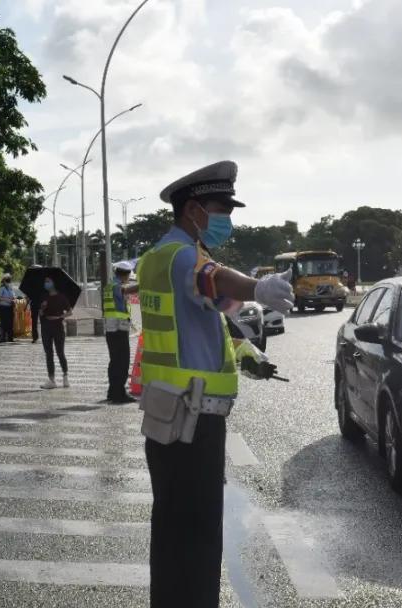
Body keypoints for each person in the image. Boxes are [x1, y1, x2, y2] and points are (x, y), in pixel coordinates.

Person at [139, 160, 294, 608]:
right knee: (199, 533)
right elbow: (216, 281)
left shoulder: (157, 257)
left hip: (168, 413)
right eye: (220, 207)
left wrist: (248, 353)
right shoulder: (185, 256)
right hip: (193, 419)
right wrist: (257, 288)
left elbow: (217, 307)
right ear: (193, 209)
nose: (227, 218)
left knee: (172, 529)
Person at [105, 261, 139, 403]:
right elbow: (126, 290)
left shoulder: (109, 285)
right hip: (119, 328)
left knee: (114, 361)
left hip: (110, 328)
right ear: (126, 274)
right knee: (122, 361)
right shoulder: (117, 286)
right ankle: (119, 394)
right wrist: (145, 284)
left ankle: (112, 392)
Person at [38, 276, 72, 389]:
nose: (46, 283)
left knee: (60, 352)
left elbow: (70, 312)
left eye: (48, 281)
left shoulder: (62, 297)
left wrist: (61, 316)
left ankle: (65, 376)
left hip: (58, 326)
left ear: (53, 282)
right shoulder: (44, 296)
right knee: (49, 353)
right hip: (46, 326)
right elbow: (40, 314)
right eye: (45, 281)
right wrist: (42, 308)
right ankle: (52, 380)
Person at [0, 273, 17, 342]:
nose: (9, 282)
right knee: (4, 323)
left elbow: (14, 297)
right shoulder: (2, 288)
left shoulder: (11, 289)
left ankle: (10, 338)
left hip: (10, 307)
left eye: (9, 281)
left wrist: (14, 300)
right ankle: (3, 337)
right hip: (3, 307)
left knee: (10, 323)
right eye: (7, 281)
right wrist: (8, 300)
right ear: (4, 281)